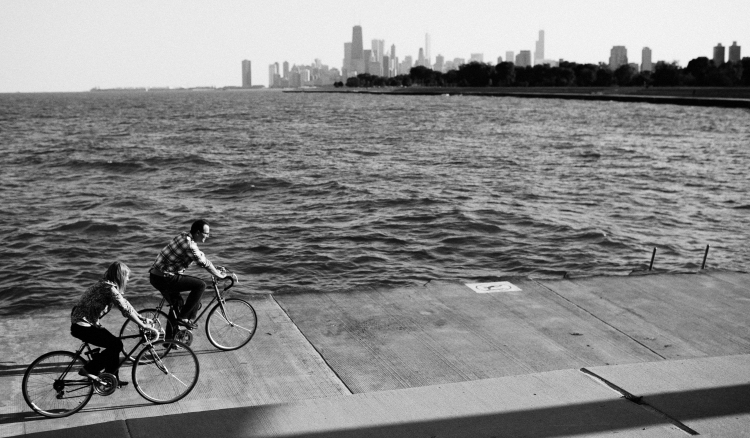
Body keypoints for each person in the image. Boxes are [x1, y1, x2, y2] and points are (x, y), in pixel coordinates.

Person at [71, 261, 157, 387]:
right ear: (120, 276)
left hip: (86, 323)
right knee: (116, 345)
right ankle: (88, 369)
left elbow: (125, 303)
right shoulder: (109, 288)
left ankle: (112, 378)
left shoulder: (106, 284)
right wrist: (143, 325)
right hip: (82, 326)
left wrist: (140, 318)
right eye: (127, 276)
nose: (128, 279)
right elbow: (125, 310)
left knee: (115, 344)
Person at [149, 219, 237, 332]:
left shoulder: (184, 236)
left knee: (178, 305)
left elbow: (199, 258)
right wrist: (220, 276)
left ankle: (170, 339)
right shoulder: (189, 245)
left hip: (157, 276)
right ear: (198, 232)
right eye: (206, 233)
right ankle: (184, 318)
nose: (208, 236)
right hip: (164, 278)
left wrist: (215, 269)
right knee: (200, 285)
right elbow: (204, 263)